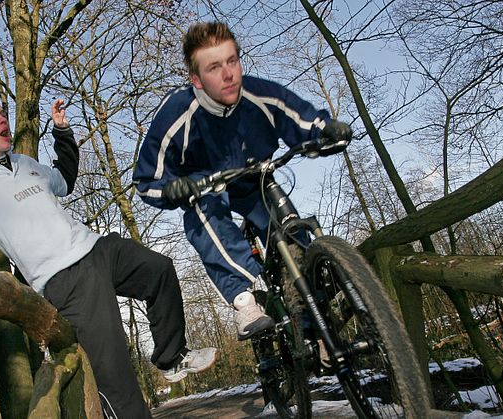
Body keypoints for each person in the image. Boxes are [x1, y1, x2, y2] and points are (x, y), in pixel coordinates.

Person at [0, 91, 217, 418]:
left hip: (97, 249)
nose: (2, 118)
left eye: (2, 112)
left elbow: (66, 178)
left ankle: (171, 357)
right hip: (64, 278)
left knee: (158, 269)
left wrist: (62, 132)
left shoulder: (26, 164)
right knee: (115, 376)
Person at [133, 21, 352, 341]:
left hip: (255, 180)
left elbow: (302, 119)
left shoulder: (259, 94)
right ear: (196, 79)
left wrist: (326, 132)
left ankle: (313, 316)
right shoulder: (177, 113)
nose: (228, 75)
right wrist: (171, 190)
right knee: (205, 208)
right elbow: (146, 179)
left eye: (232, 61)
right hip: (205, 186)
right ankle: (244, 301)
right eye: (214, 67)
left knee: (291, 232)